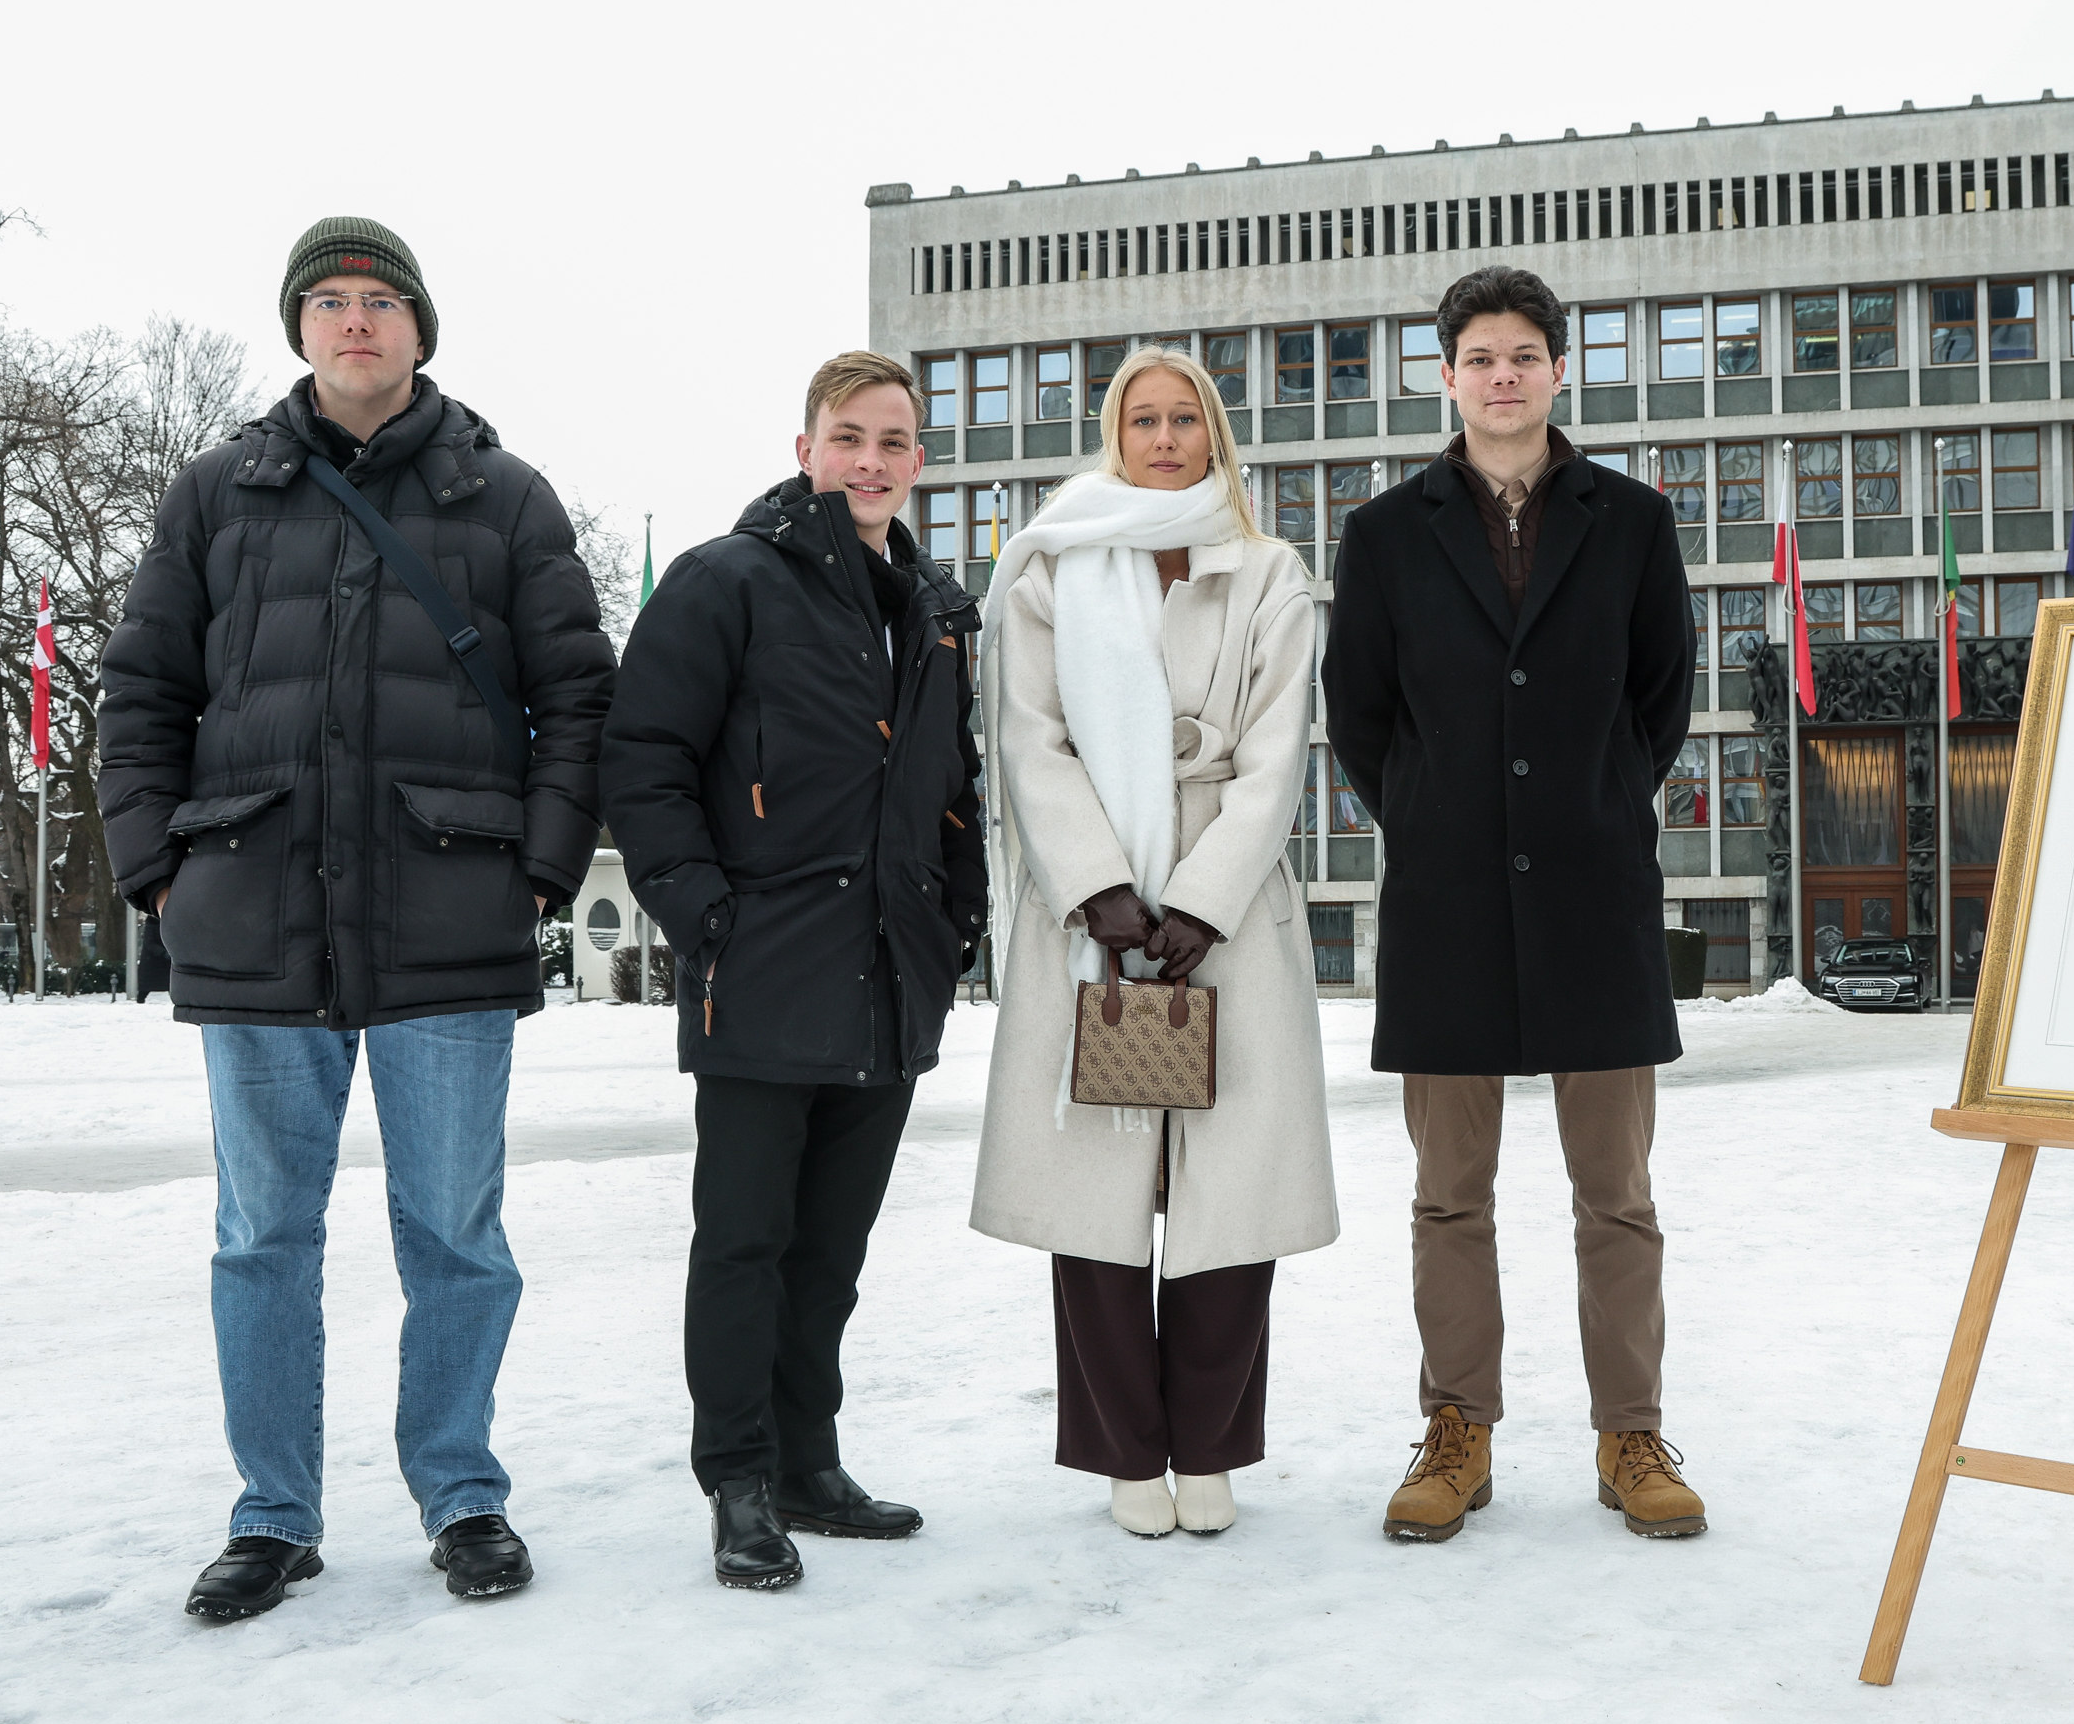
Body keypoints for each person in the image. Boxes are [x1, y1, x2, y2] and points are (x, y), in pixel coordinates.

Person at [98, 217, 614, 1619]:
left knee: (455, 1232)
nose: (355, 320)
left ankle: (462, 1493)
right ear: (299, 328)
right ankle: (273, 1513)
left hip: (452, 913)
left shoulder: (507, 498)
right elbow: (141, 692)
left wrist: (538, 870)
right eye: (327, 300)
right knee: (262, 1236)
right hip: (253, 913)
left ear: (420, 327)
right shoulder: (215, 495)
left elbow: (577, 697)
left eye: (380, 298)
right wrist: (158, 872)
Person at [1323, 266, 1705, 1543]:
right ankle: (1457, 1430)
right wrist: (1430, 813)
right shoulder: (1384, 533)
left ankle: (1630, 1434)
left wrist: (1596, 801)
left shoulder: (1633, 520)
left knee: (1618, 1195)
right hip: (1446, 904)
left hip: (1595, 896)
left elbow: (1659, 697)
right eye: (1479, 357)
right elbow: (1360, 713)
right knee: (1449, 1196)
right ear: (1446, 375)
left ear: (1558, 371)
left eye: (1523, 355)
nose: (1502, 376)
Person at [599, 351, 987, 1590]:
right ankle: (739, 1479)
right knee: (745, 1242)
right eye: (847, 437)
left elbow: (952, 781)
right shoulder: (727, 580)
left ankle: (810, 1463)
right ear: (806, 447)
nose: (870, 460)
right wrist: (704, 918)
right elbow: (644, 761)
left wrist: (957, 916)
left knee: (831, 1251)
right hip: (761, 968)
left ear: (918, 459)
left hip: (888, 974)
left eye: (892, 440)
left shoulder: (933, 609)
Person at [969, 344, 1336, 1538]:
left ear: (1214, 435)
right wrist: (1099, 887)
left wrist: (1202, 898)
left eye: (1185, 419)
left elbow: (1277, 754)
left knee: (1231, 1199)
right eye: (1144, 420)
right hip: (1094, 922)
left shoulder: (1268, 570)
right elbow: (1028, 736)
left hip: (1226, 918)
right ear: (1115, 436)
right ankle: (1127, 1450)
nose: (1166, 438)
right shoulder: (1055, 563)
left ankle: (1212, 1447)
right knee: (1100, 1197)